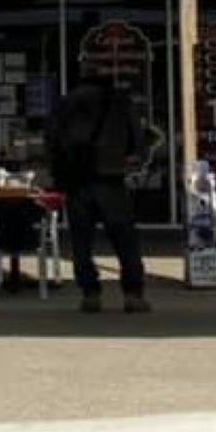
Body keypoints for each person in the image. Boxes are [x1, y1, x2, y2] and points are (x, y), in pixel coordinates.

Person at [49, 71, 151, 314]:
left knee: (81, 242)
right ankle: (133, 294)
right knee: (125, 239)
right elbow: (138, 145)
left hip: (77, 182)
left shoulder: (66, 103)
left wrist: (59, 175)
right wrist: (129, 160)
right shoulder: (120, 103)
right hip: (111, 179)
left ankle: (90, 293)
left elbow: (52, 141)